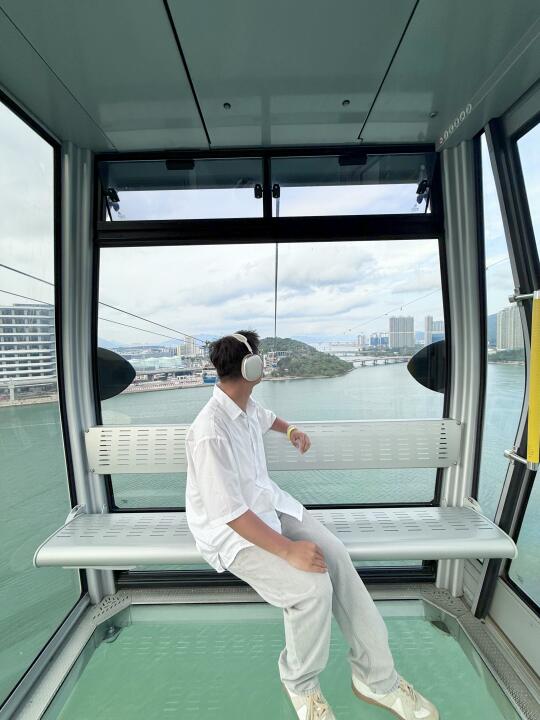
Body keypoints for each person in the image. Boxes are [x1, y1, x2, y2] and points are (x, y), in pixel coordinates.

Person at [185, 330, 439, 720]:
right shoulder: (209, 432)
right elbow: (231, 514)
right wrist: (289, 550)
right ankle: (300, 684)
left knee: (335, 555)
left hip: (269, 506)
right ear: (252, 367)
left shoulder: (245, 406)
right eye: (261, 358)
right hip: (232, 533)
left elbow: (267, 418)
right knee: (311, 589)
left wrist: (290, 430)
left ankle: (377, 678)